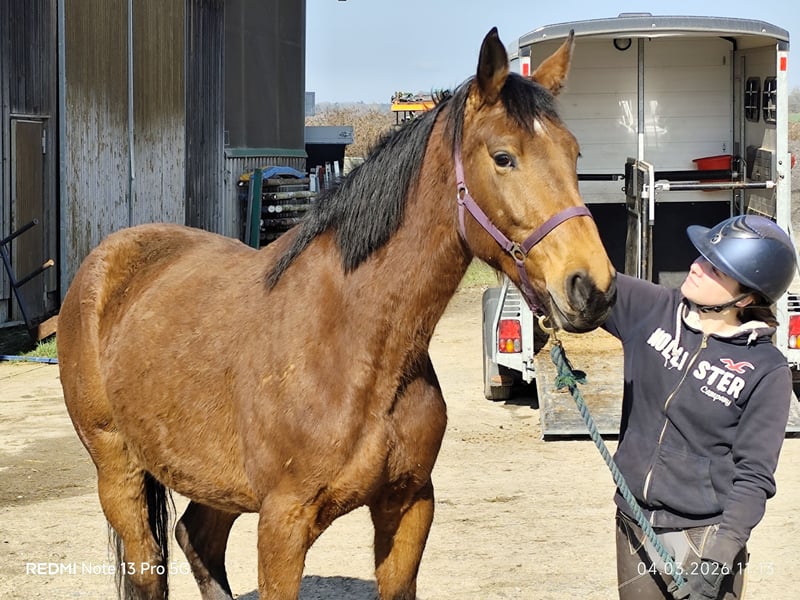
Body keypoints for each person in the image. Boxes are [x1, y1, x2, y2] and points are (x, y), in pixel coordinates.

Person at [603, 214, 798, 600]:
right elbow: (585, 277)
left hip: (704, 538)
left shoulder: (766, 370)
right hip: (634, 523)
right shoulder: (652, 309)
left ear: (746, 298)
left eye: (715, 269)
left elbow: (754, 475)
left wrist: (719, 558)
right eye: (703, 256)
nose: (696, 266)